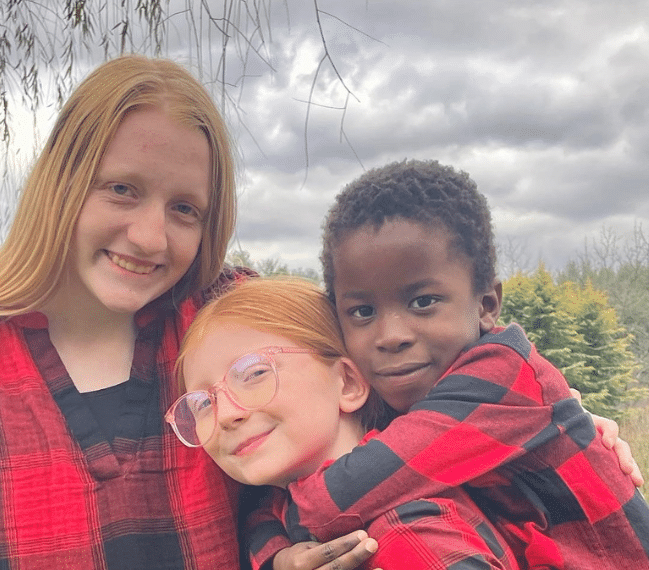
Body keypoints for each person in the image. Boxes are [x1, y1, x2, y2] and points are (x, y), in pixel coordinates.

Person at [0, 54, 375, 570]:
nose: (149, 237)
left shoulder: (229, 316)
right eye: (122, 190)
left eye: (184, 208)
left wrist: (279, 557)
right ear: (62, 182)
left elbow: (334, 448)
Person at [272, 159, 649, 568]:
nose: (390, 335)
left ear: (486, 306)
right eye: (362, 311)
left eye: (423, 302)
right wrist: (275, 553)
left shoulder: (502, 376)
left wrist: (279, 529)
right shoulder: (392, 389)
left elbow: (331, 503)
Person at [168, 276, 523, 570]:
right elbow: (262, 517)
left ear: (349, 384)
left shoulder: (405, 531)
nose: (226, 414)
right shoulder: (283, 512)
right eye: (201, 403)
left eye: (254, 373)